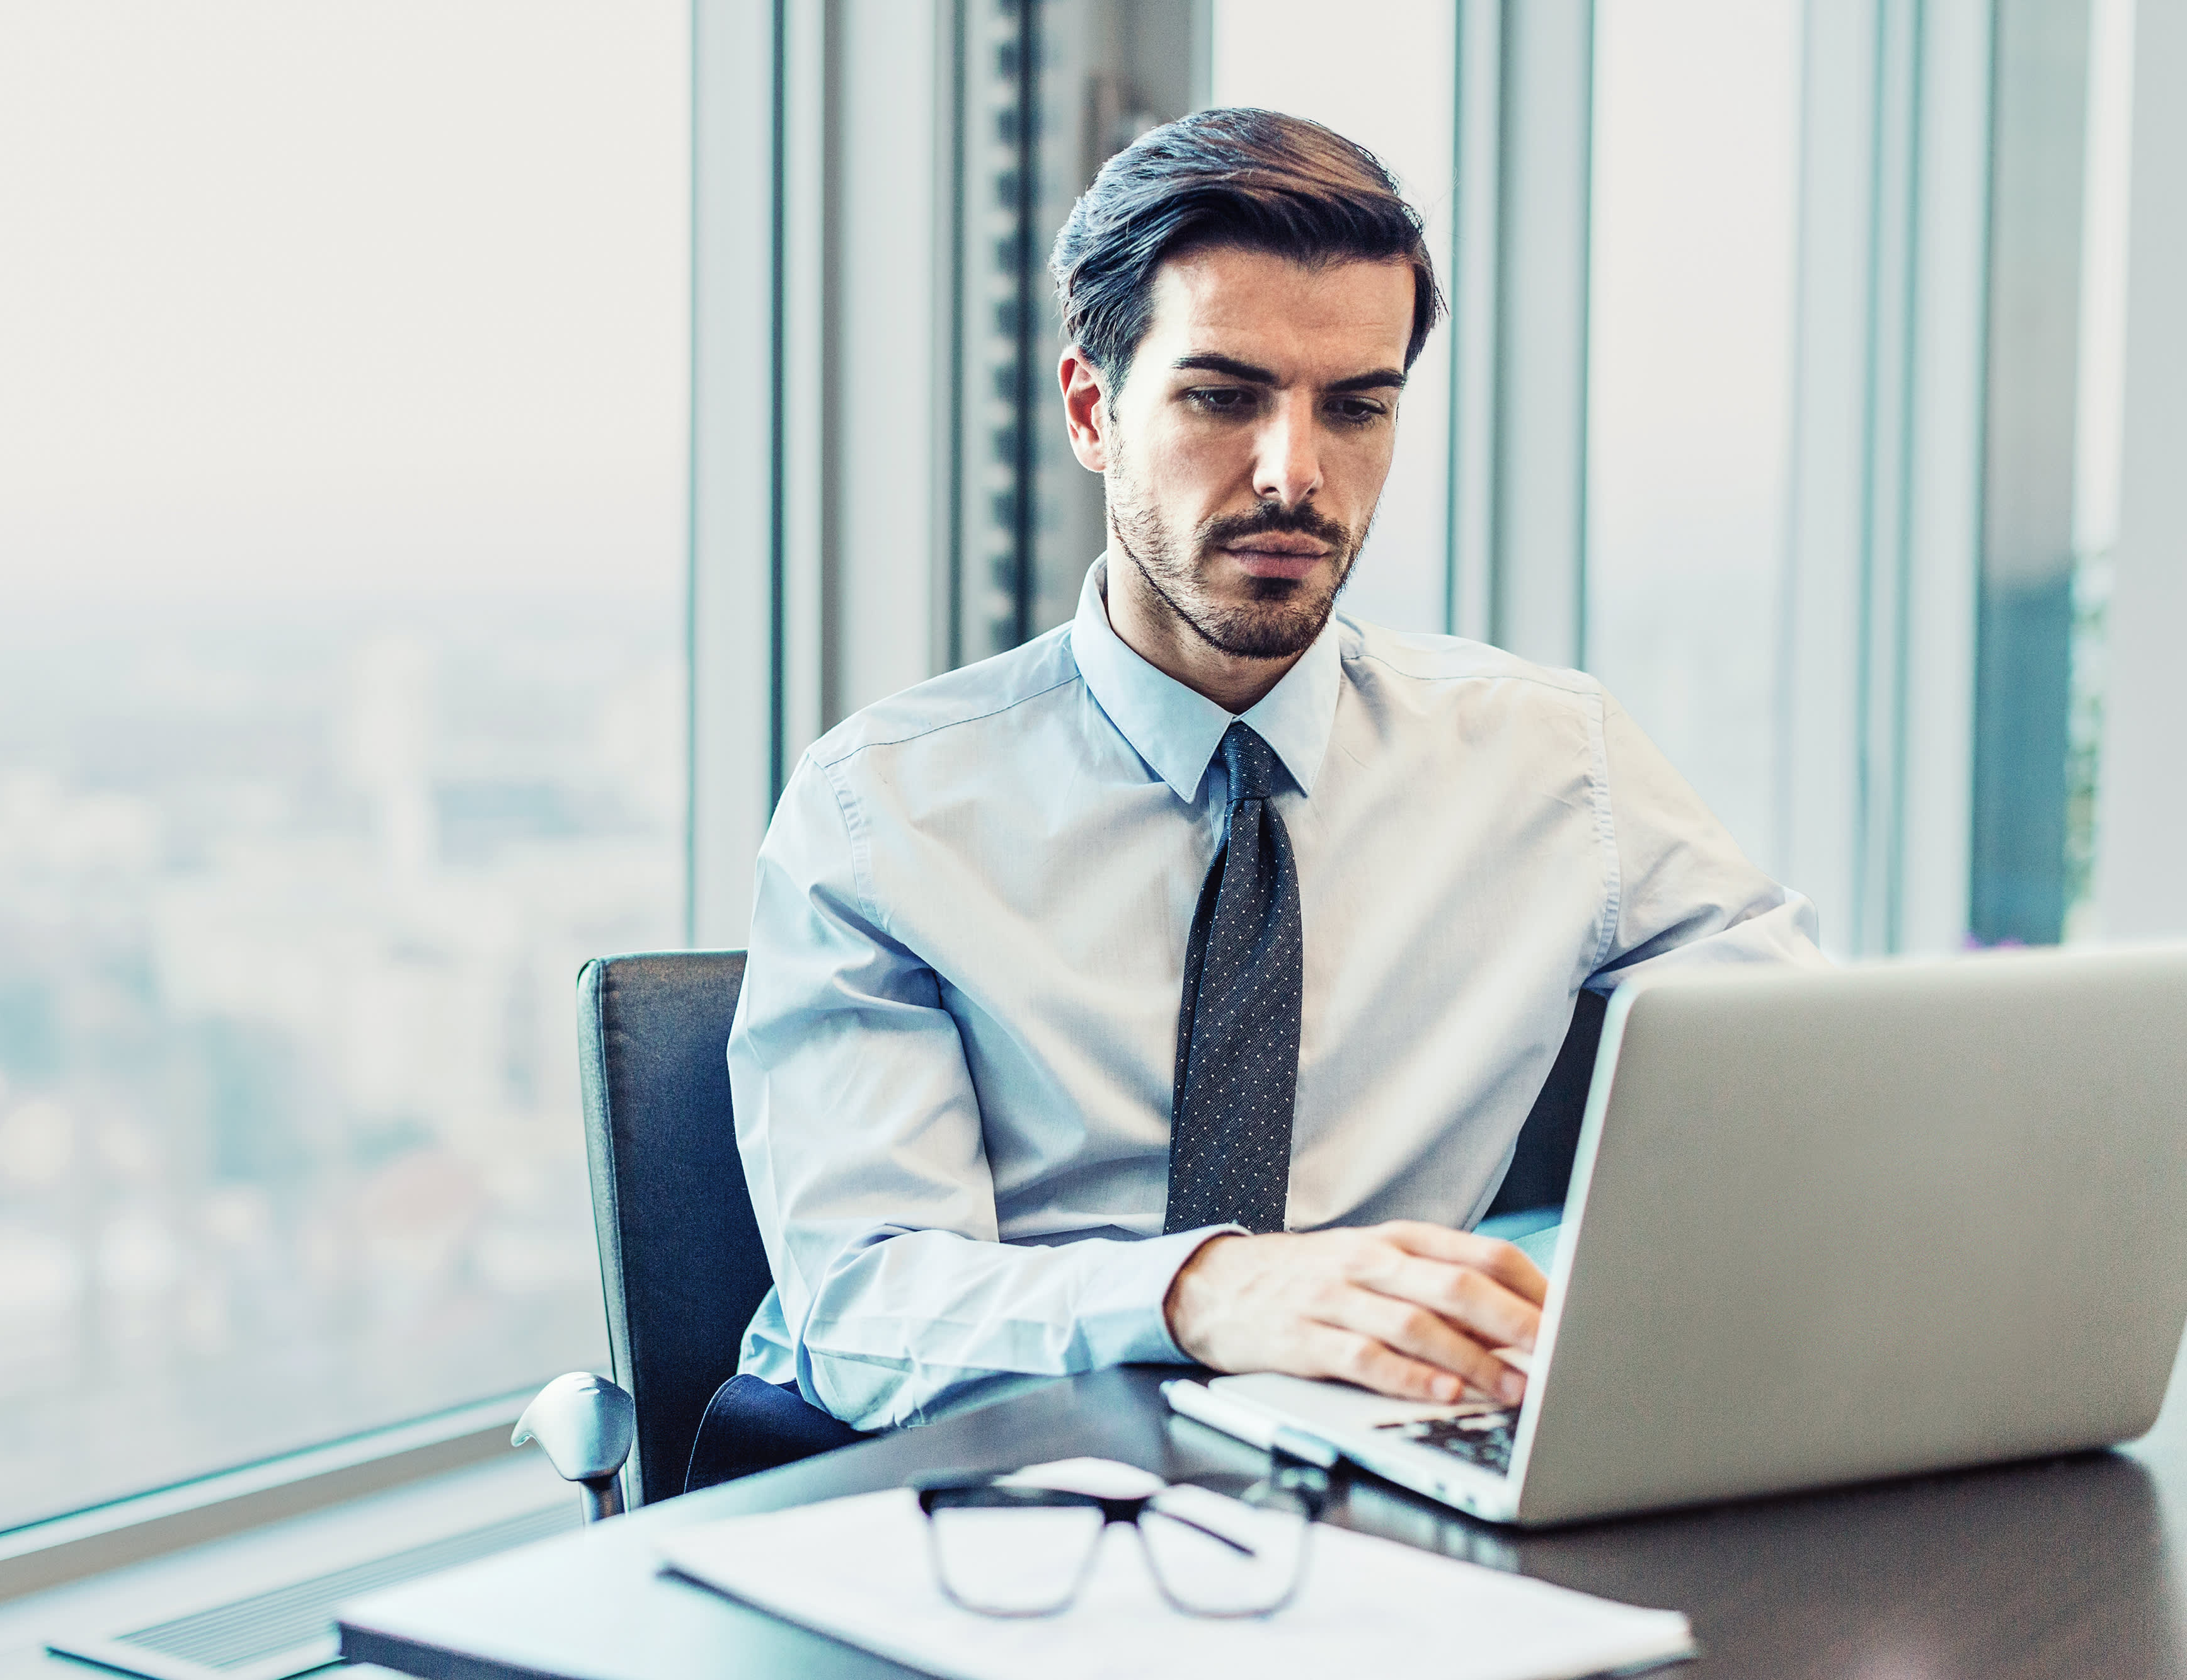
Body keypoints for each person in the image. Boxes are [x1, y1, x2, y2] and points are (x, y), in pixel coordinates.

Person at [725, 108, 1823, 1438]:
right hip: (999, 1473)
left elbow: (1811, 1090)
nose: (1294, 474)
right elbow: (859, 1303)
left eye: (1355, 408)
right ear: (1092, 410)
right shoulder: (879, 808)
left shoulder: (1550, 765)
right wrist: (1204, 1292)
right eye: (1221, 396)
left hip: (1382, 1465)